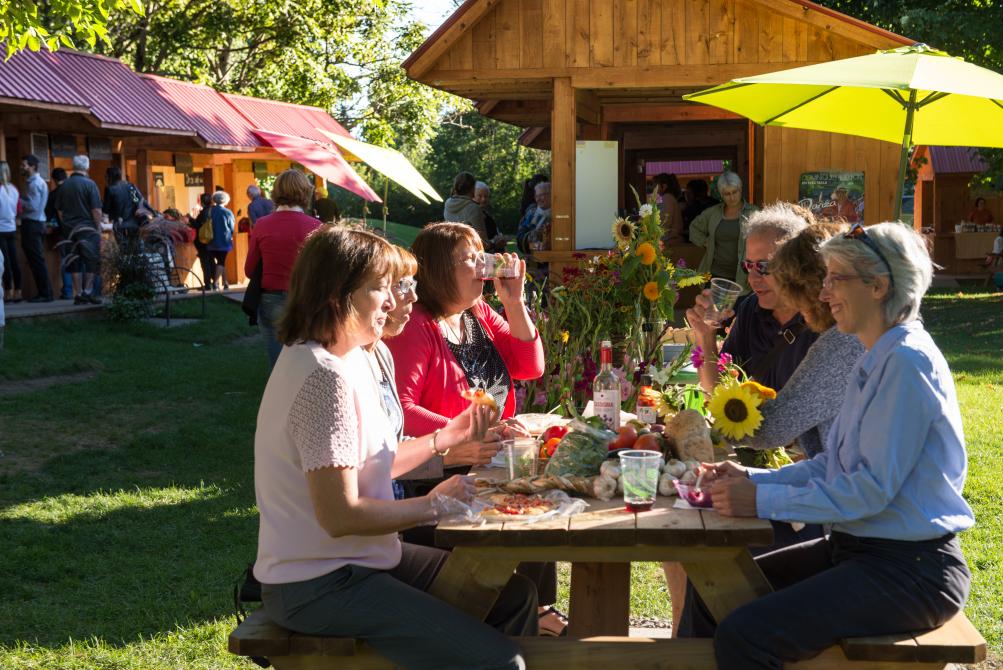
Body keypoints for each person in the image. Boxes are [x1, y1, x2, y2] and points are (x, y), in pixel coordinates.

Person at [254, 226, 536, 670]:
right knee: (501, 664)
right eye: (380, 288)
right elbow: (340, 515)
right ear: (336, 295)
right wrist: (431, 505)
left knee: (513, 595)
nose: (394, 300)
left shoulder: (359, 355)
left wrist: (447, 437)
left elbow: (377, 463)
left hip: (362, 561)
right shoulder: (321, 376)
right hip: (317, 584)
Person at [700, 222, 973, 670]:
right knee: (714, 591)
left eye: (835, 279)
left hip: (911, 572)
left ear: (879, 286)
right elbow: (834, 463)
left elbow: (867, 491)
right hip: (868, 555)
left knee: (744, 636)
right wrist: (751, 478)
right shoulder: (878, 353)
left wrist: (762, 498)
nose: (823, 293)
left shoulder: (905, 361)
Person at [385, 223, 564, 635]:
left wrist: (514, 302)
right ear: (437, 271)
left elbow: (529, 367)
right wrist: (463, 435)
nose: (483, 266)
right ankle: (514, 616)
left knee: (541, 497)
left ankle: (537, 611)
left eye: (481, 254)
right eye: (469, 258)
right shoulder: (418, 327)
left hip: (486, 456)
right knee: (528, 506)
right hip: (440, 470)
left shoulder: (477, 313)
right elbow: (403, 411)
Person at [748, 221, 865, 460]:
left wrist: (716, 426)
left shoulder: (843, 343)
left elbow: (772, 427)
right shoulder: (880, 335)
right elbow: (826, 466)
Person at [687, 203, 817, 395]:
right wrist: (705, 336)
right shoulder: (751, 308)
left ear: (796, 263)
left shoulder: (824, 318)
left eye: (764, 266)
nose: (753, 278)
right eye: (748, 265)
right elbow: (718, 392)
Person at [245, 169, 322, 370]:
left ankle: (277, 399)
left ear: (276, 192)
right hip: (305, 298)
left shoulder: (262, 225)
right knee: (307, 359)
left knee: (277, 363)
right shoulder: (316, 227)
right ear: (306, 192)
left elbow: (249, 269)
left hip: (271, 298)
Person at [689, 172, 759, 290]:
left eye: (734, 192)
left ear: (740, 189)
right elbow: (694, 228)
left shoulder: (754, 213)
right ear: (721, 194)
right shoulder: (713, 213)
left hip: (742, 277)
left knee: (739, 309)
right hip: (715, 275)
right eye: (727, 194)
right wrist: (707, 242)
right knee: (712, 308)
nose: (732, 197)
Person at [53, 155, 103, 305]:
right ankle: (87, 291)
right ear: (87, 167)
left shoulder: (64, 186)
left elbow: (60, 211)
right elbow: (96, 210)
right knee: (91, 261)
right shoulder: (90, 184)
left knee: (73, 261)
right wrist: (98, 226)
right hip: (88, 229)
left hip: (69, 230)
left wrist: (67, 224)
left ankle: (78, 293)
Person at [19, 154, 53, 302]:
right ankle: (45, 292)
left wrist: (17, 199)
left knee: (36, 261)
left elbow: (32, 206)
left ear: (32, 166)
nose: (22, 167)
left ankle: (45, 293)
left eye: (24, 165)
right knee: (36, 260)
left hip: (32, 224)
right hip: (37, 223)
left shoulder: (34, 184)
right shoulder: (37, 182)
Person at [103, 165, 151, 244]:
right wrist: (152, 212)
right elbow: (141, 201)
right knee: (135, 248)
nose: (105, 178)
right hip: (135, 224)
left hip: (120, 225)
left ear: (110, 177)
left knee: (123, 250)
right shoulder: (130, 186)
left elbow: (106, 209)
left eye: (106, 176)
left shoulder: (110, 189)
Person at [45, 168, 73, 300]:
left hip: (62, 232)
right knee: (81, 260)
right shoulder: (74, 190)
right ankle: (86, 290)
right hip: (80, 230)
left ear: (54, 180)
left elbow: (49, 215)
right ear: (66, 177)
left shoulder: (53, 194)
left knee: (65, 260)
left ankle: (67, 291)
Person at [443, 171, 487, 243]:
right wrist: (495, 243)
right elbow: (483, 242)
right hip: (469, 251)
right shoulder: (473, 208)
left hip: (451, 249)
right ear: (473, 188)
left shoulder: (447, 203)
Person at [0, 161, 22, 304]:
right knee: (14, 261)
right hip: (12, 228)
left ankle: (7, 292)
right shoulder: (14, 189)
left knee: (4, 262)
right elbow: (19, 210)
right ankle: (18, 292)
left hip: (0, 230)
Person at [207, 190, 235, 290]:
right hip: (223, 240)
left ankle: (226, 282)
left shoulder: (210, 211)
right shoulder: (227, 212)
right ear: (225, 200)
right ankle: (215, 283)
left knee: (221, 262)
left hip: (210, 240)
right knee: (221, 262)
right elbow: (231, 227)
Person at [515, 181, 551, 255]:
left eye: (541, 195)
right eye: (536, 196)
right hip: (534, 260)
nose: (538, 199)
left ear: (551, 195)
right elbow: (520, 236)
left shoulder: (559, 213)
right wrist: (534, 234)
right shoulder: (531, 213)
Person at [188, 193, 214, 288]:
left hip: (203, 240)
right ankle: (214, 282)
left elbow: (197, 225)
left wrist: (190, 219)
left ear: (202, 202)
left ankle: (207, 284)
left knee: (205, 262)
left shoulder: (204, 213)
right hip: (211, 240)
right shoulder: (213, 211)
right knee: (211, 261)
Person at [652, 173, 685, 247]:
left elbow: (664, 223)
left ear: (664, 186)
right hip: (670, 239)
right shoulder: (669, 198)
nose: (654, 188)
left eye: (655, 186)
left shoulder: (667, 198)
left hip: (670, 241)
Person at [474, 181, 505, 253]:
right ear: (473, 196)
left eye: (486, 196)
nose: (483, 199)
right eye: (480, 196)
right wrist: (494, 243)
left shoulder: (489, 217)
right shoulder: (469, 216)